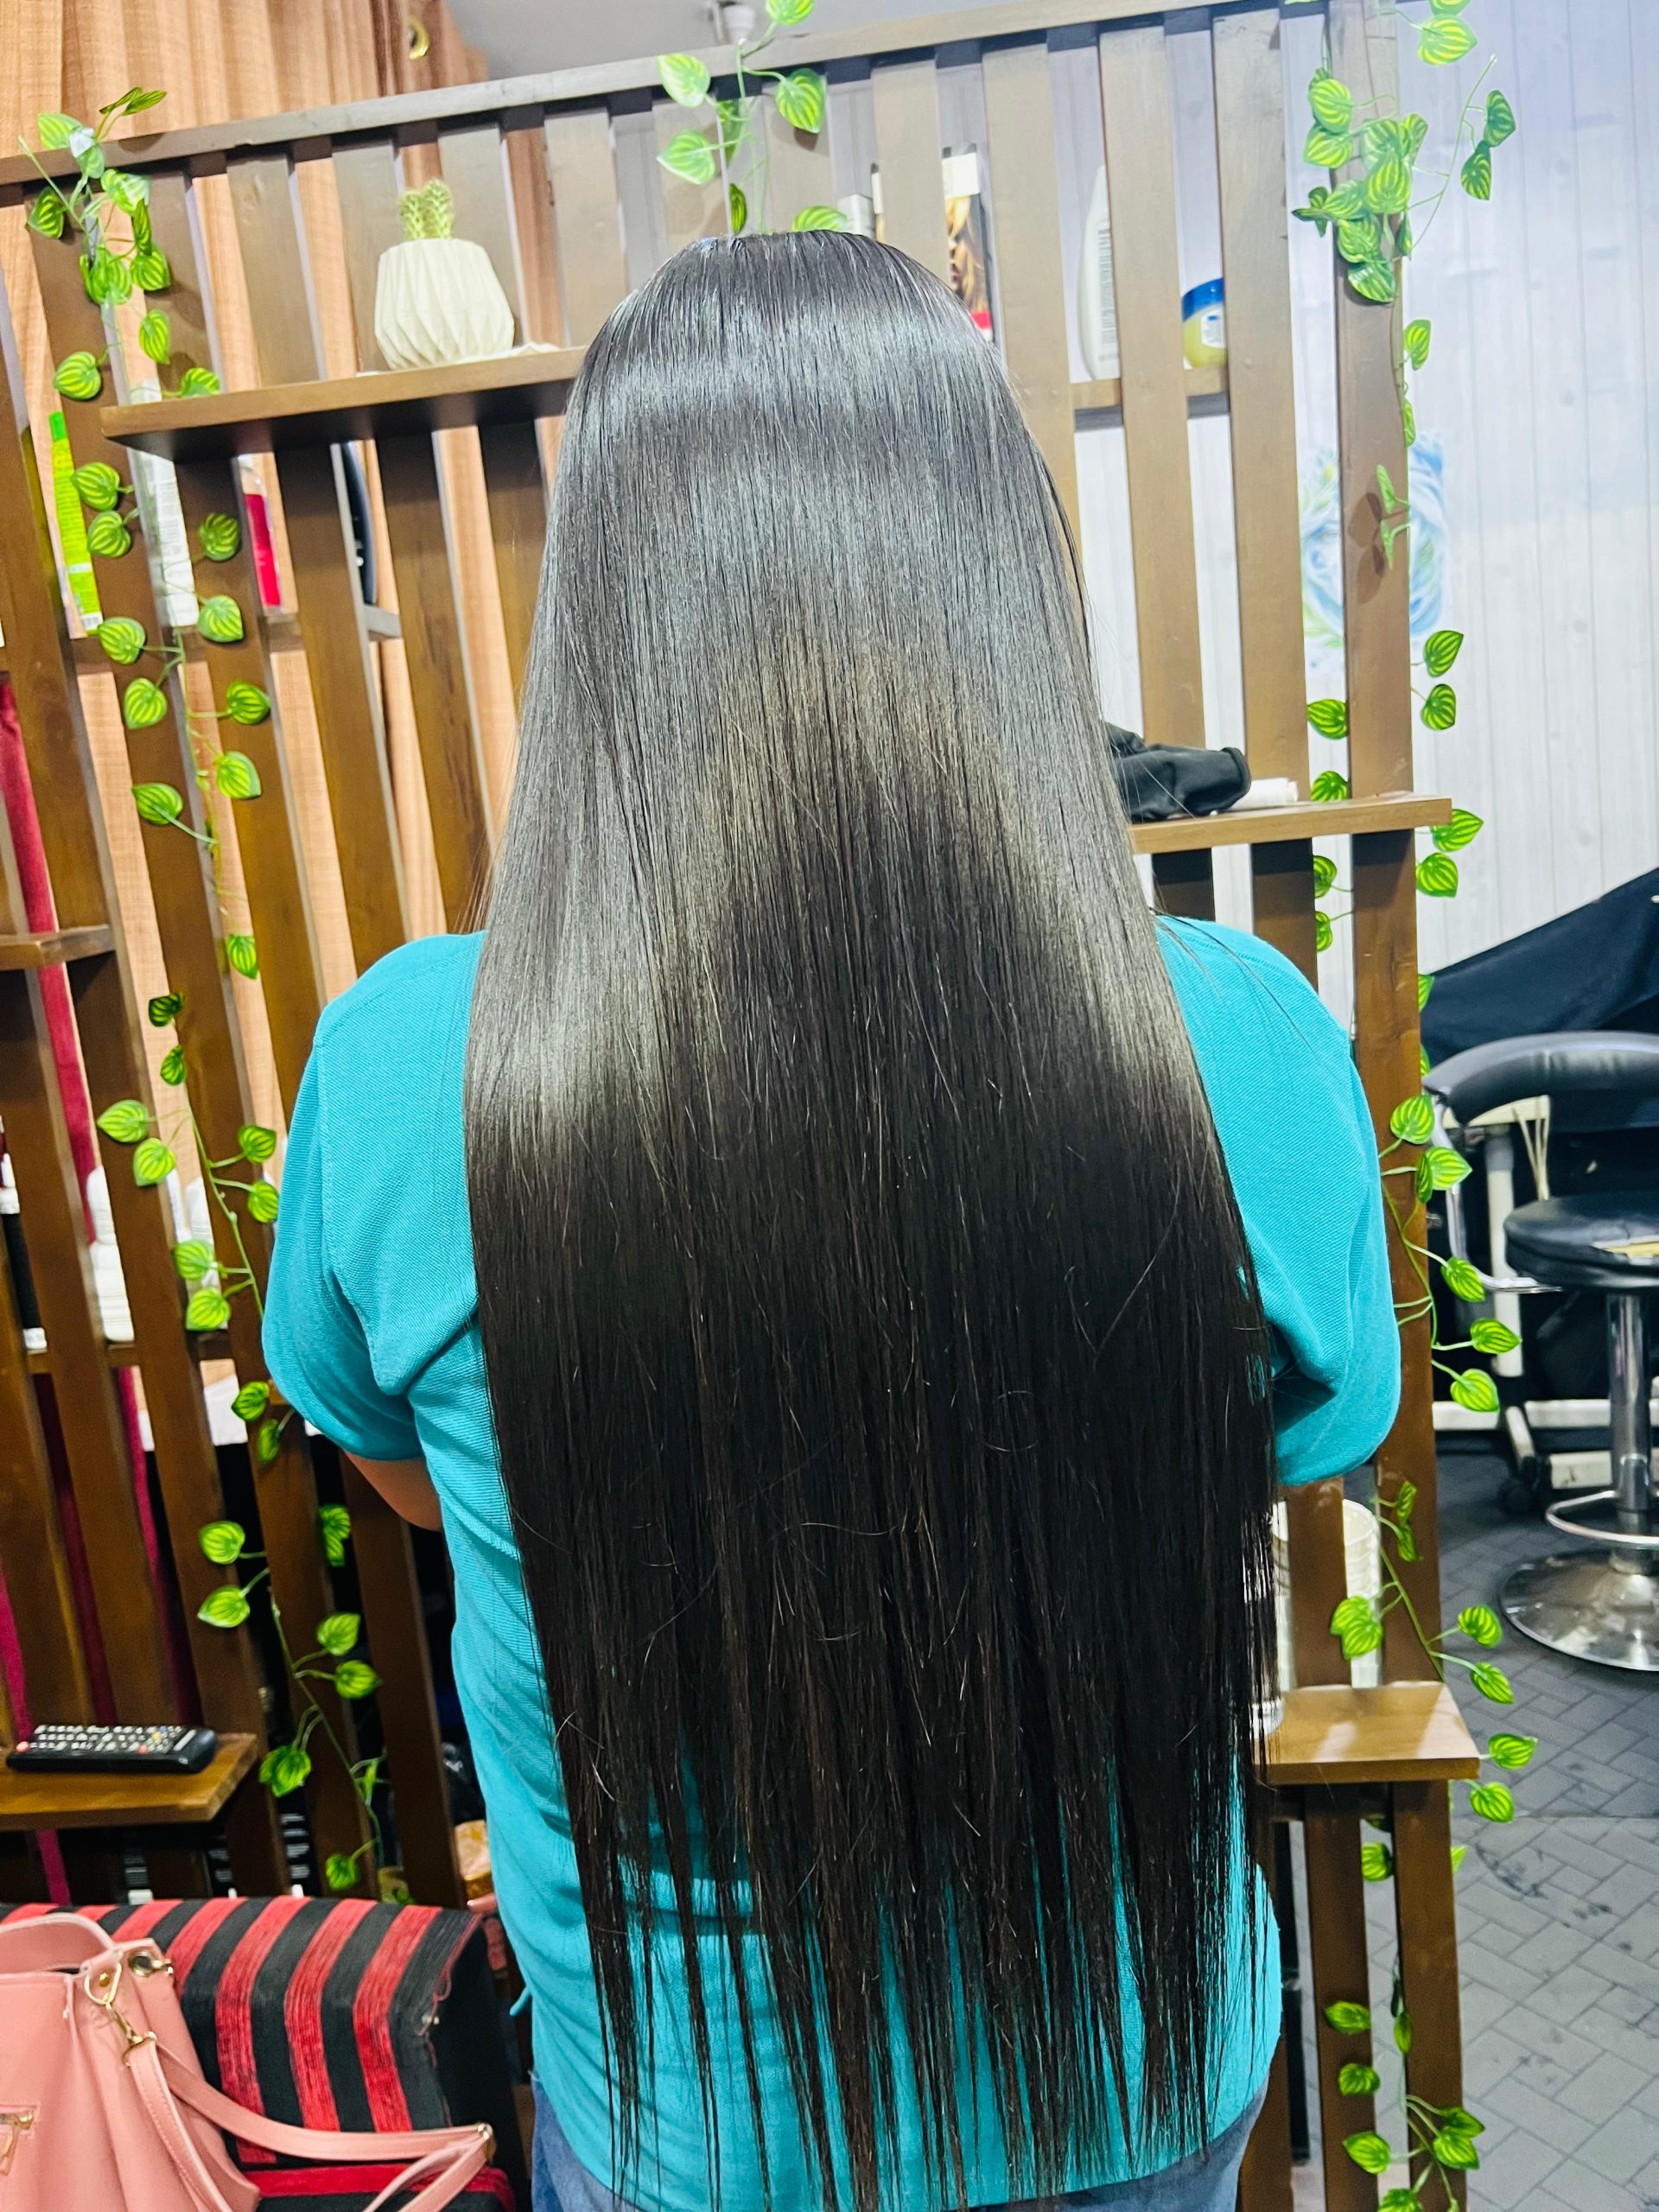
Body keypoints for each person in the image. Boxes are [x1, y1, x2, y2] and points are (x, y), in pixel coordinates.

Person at [265, 232, 1398, 2212]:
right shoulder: (1238, 1039)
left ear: (604, 614)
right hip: (1137, 2070)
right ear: (1001, 584)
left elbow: (413, 1478)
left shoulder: (411, 1067)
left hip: (692, 2133)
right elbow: (1293, 1447)